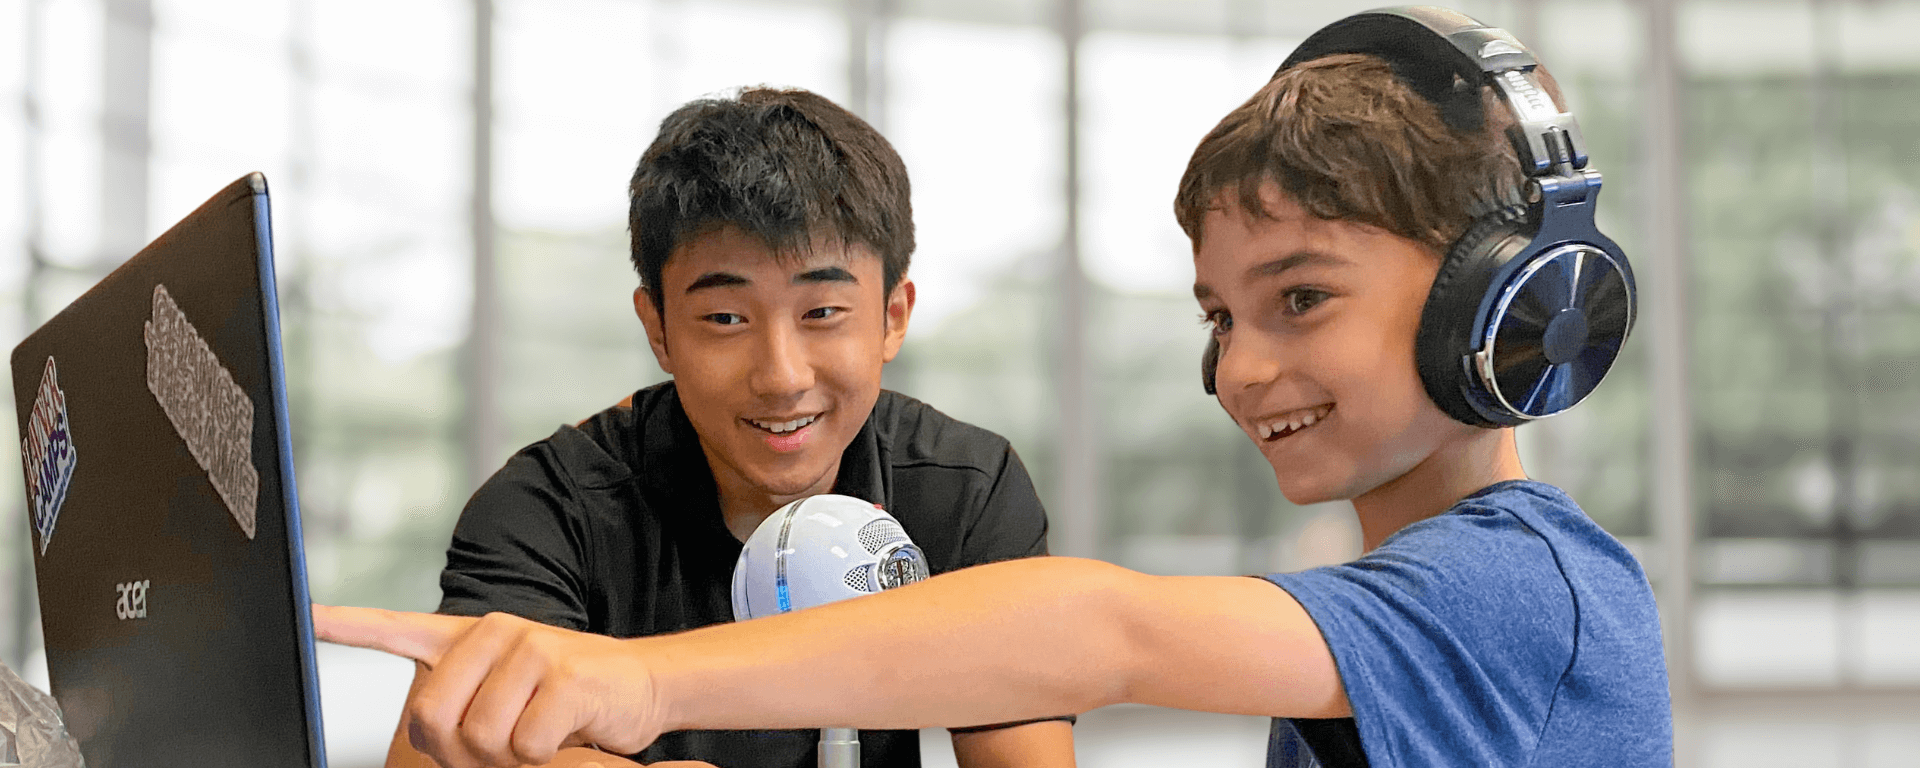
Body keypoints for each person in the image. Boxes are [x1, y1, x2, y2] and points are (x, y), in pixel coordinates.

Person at [320, 9, 1672, 768]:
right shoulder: (1391, 618)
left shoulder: (1529, 588)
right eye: (1221, 314)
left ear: (1499, 303)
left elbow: (1106, 630)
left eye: (1301, 299)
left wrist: (639, 686)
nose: (1242, 368)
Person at [376, 86, 1076, 768]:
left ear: (893, 316)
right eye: (724, 319)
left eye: (822, 313)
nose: (781, 376)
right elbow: (434, 748)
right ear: (658, 328)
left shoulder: (963, 488)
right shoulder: (553, 506)